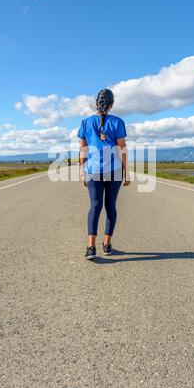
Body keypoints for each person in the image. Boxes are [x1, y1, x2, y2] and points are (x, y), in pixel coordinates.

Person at [78, 88, 130, 260]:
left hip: (92, 171)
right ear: (112, 104)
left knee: (95, 206)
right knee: (110, 207)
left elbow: (83, 150)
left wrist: (81, 170)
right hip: (114, 171)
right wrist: (127, 172)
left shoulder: (85, 122)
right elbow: (122, 149)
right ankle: (107, 244)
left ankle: (90, 247)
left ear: (96, 104)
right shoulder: (118, 122)